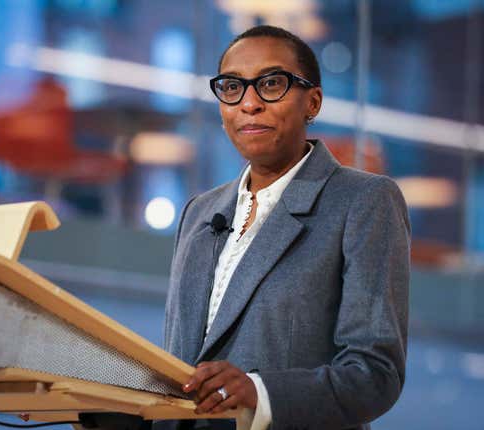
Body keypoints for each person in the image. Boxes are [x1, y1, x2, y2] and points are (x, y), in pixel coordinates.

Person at [160, 25, 410, 430]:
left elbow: (375, 373)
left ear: (312, 102)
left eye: (271, 83)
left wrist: (259, 392)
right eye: (232, 87)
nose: (250, 103)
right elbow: (181, 370)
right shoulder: (199, 213)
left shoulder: (363, 201)